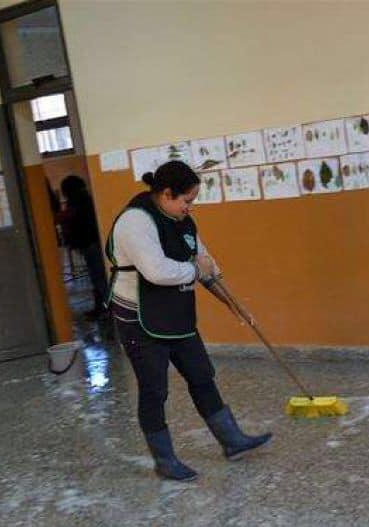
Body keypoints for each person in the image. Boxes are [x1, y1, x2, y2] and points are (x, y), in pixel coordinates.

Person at [105, 160, 272, 481]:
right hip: (139, 318)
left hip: (176, 313)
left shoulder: (182, 221)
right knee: (154, 390)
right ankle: (165, 461)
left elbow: (206, 265)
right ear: (167, 193)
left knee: (202, 375)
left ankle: (232, 441)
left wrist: (233, 304)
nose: (190, 207)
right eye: (187, 200)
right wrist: (197, 270)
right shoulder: (134, 221)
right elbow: (158, 271)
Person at [59, 175, 109, 315]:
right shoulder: (85, 199)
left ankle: (107, 309)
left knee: (98, 279)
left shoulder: (78, 202)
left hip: (89, 244)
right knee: (97, 278)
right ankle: (102, 308)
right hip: (91, 243)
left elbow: (72, 219)